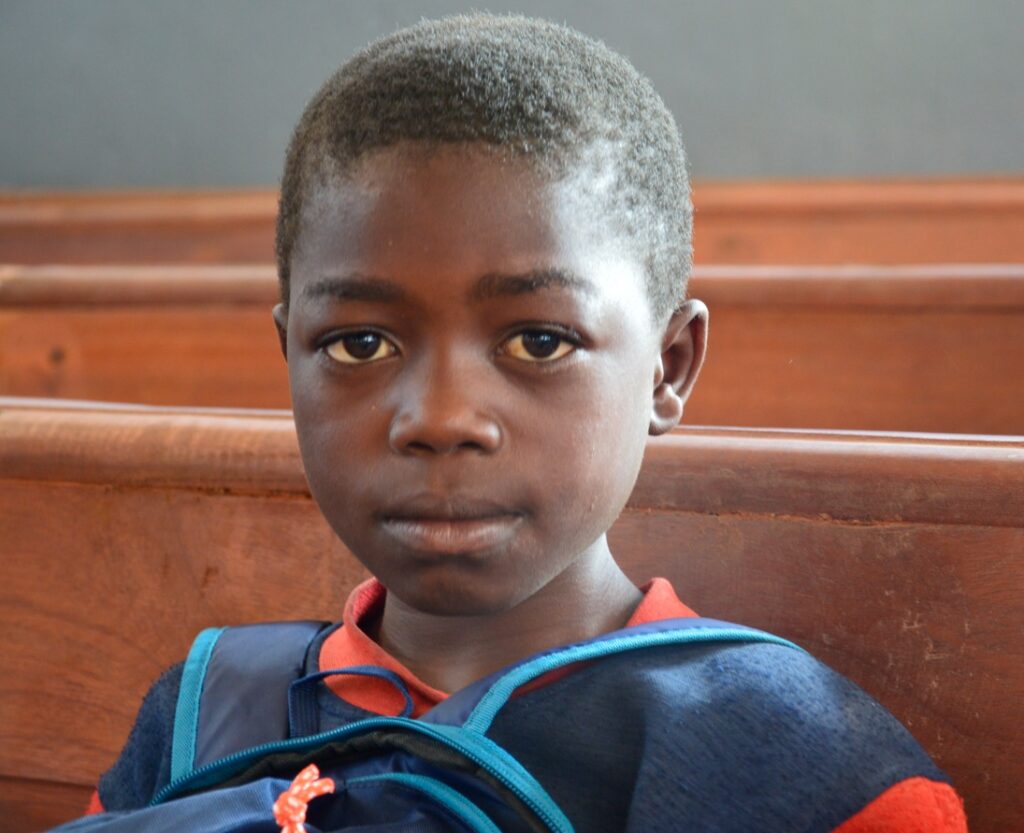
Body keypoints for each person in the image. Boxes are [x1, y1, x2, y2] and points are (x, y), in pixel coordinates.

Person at [72, 14, 966, 832]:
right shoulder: (198, 724)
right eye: (359, 343)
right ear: (290, 358)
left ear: (668, 367)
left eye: (540, 340)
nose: (440, 418)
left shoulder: (799, 770)